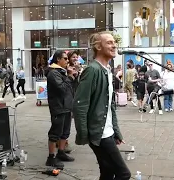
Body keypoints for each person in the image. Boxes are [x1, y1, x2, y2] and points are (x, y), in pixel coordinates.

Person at [74, 31, 131, 179]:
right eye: (109, 43)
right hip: (100, 134)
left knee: (107, 173)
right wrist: (84, 134)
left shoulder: (107, 70)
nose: (114, 46)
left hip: (108, 132)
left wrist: (116, 131)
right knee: (124, 174)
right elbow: (80, 104)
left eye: (114, 42)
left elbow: (110, 106)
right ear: (98, 47)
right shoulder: (92, 70)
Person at [45, 50, 75, 169]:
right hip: (58, 107)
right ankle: (51, 157)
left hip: (67, 106)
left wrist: (72, 76)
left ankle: (61, 152)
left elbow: (70, 88)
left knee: (65, 132)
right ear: (58, 59)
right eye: (65, 59)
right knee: (55, 133)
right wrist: (69, 76)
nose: (67, 61)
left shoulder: (61, 72)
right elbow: (61, 89)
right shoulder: (53, 73)